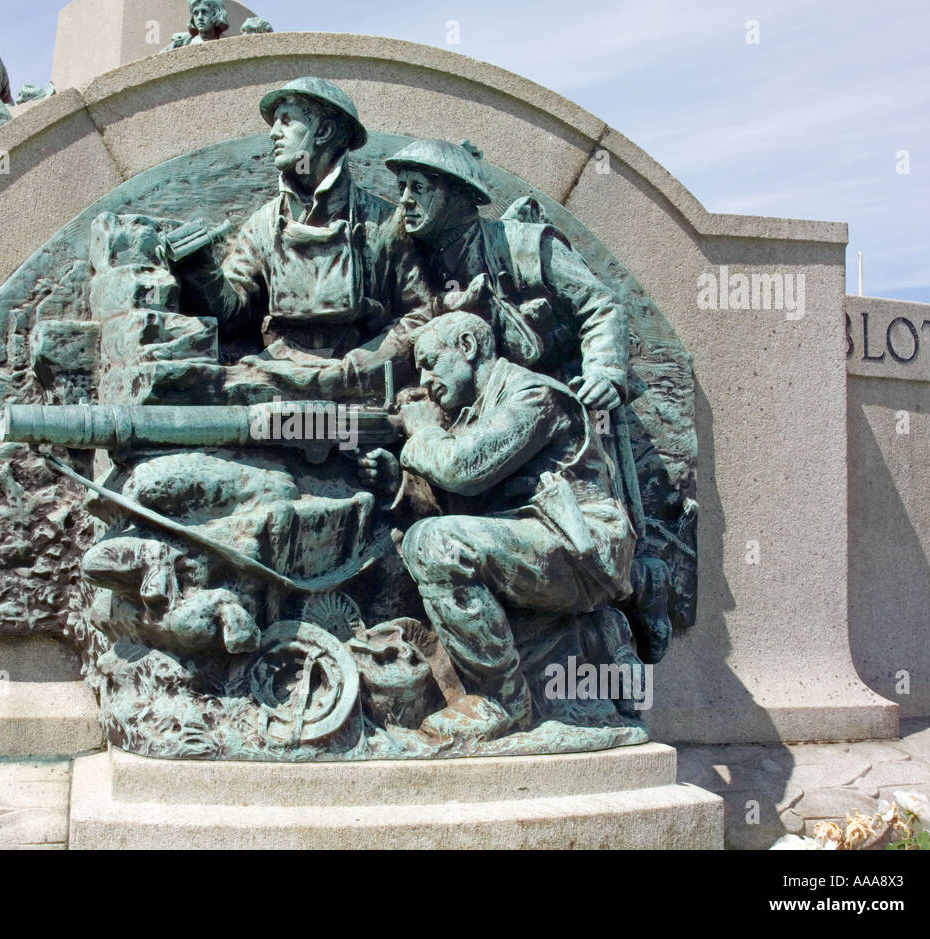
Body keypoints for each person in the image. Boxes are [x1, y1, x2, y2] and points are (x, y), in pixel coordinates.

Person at [364, 312, 636, 739]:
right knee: (424, 543)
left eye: (431, 361)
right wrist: (397, 481)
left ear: (468, 348)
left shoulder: (533, 395)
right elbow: (464, 505)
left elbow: (463, 468)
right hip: (536, 542)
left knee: (433, 544)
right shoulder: (474, 413)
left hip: (579, 548)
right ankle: (588, 640)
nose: (424, 377)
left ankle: (500, 701)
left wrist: (420, 437)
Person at [169, 78, 436, 401]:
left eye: (286, 120)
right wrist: (202, 270)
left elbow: (420, 313)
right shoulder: (263, 226)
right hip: (275, 379)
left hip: (358, 387)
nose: (273, 133)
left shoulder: (385, 224)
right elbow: (234, 316)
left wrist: (365, 364)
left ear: (323, 132)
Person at [384, 139, 628, 413]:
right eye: (401, 187)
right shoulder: (412, 261)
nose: (404, 200)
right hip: (477, 413)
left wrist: (604, 374)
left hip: (556, 401)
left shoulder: (526, 245)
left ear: (457, 195)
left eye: (418, 187)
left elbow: (600, 305)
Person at [163, 0, 232, 50]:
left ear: (216, 15)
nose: (199, 17)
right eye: (196, 13)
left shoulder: (228, 45)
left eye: (204, 12)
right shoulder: (182, 43)